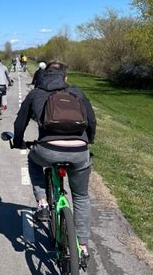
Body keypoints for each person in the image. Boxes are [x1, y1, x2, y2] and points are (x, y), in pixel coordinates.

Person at [12, 61, 96, 263]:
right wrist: (88, 141)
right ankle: (82, 246)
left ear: (43, 76)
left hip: (48, 150)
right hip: (79, 152)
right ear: (65, 78)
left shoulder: (36, 93)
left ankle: (42, 202)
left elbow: (20, 122)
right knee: (81, 197)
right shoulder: (77, 92)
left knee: (33, 160)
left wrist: (18, 143)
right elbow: (91, 121)